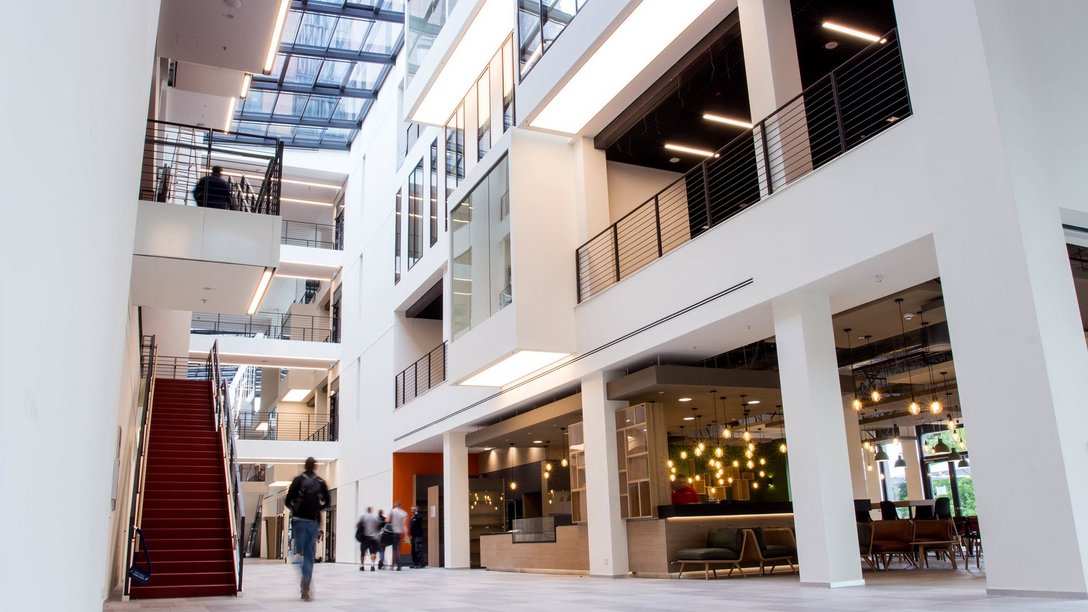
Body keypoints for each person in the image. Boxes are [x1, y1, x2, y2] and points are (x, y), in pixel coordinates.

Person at [284, 457, 329, 601]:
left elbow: (287, 500)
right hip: (312, 522)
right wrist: (318, 509)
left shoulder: (297, 480)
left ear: (305, 466)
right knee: (310, 555)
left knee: (299, 554)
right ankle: (306, 582)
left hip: (298, 521)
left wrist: (295, 510)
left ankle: (304, 577)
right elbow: (327, 501)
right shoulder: (320, 482)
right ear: (315, 467)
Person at [356, 507, 381, 572]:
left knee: (362, 553)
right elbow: (377, 528)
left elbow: (358, 525)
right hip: (373, 538)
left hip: (365, 538)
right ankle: (372, 565)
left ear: (367, 510)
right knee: (373, 552)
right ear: (371, 510)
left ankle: (362, 566)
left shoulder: (363, 517)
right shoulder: (375, 518)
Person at [387, 500, 408, 571]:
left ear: (395, 505)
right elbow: (404, 526)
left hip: (392, 532)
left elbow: (387, 520)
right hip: (399, 533)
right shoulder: (404, 513)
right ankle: (394, 564)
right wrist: (406, 535)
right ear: (400, 505)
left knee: (394, 549)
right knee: (397, 549)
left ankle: (398, 564)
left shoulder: (392, 511)